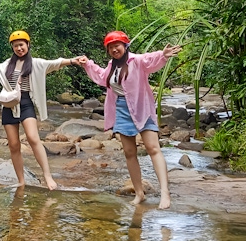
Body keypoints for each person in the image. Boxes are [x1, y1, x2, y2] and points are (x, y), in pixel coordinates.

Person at [76, 31, 181, 209]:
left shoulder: (136, 61)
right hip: (122, 111)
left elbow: (150, 59)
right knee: (129, 153)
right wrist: (88, 64)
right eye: (110, 47)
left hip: (141, 107)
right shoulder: (111, 66)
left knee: (153, 148)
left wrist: (162, 55)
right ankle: (139, 193)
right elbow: (102, 77)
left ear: (125, 46)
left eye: (117, 45)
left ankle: (165, 193)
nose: (114, 49)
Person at [0, 31, 80, 190]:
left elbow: (55, 63)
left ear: (28, 45)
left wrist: (73, 60)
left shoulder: (36, 63)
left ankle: (47, 176)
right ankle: (21, 181)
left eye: (21, 45)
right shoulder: (7, 64)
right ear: (12, 47)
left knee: (33, 138)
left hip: (26, 103)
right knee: (14, 145)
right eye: (16, 46)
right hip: (9, 105)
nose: (19, 48)